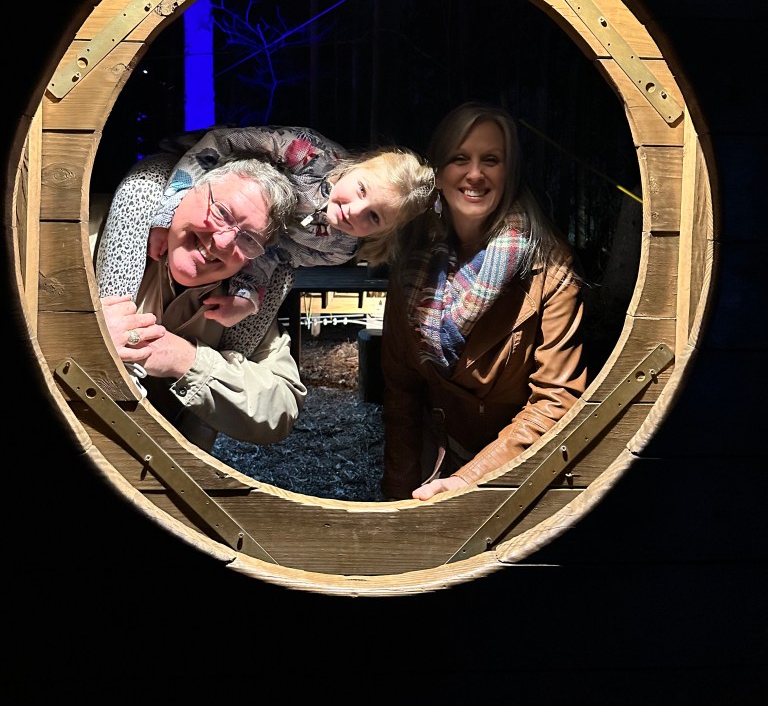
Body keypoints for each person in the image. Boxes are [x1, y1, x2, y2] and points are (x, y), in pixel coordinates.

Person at [381, 101, 588, 501]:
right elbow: (401, 391)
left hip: (519, 470)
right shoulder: (410, 263)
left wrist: (472, 479)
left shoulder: (549, 266)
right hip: (438, 457)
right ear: (438, 174)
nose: (475, 174)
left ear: (509, 173)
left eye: (491, 160)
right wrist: (396, 500)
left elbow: (557, 397)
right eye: (460, 158)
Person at [93, 151, 308, 453]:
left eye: (248, 239)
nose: (222, 242)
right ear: (182, 193)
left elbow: (280, 410)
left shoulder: (242, 307)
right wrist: (89, 339)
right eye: (221, 212)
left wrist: (185, 359)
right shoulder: (91, 237)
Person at [144, 124, 436, 328]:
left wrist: (247, 296)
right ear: (356, 166)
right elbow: (220, 141)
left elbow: (274, 254)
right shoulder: (306, 151)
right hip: (198, 171)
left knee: (278, 283)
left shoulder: (338, 250)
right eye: (361, 189)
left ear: (383, 232)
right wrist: (168, 213)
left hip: (234, 240)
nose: (354, 212)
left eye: (374, 217)